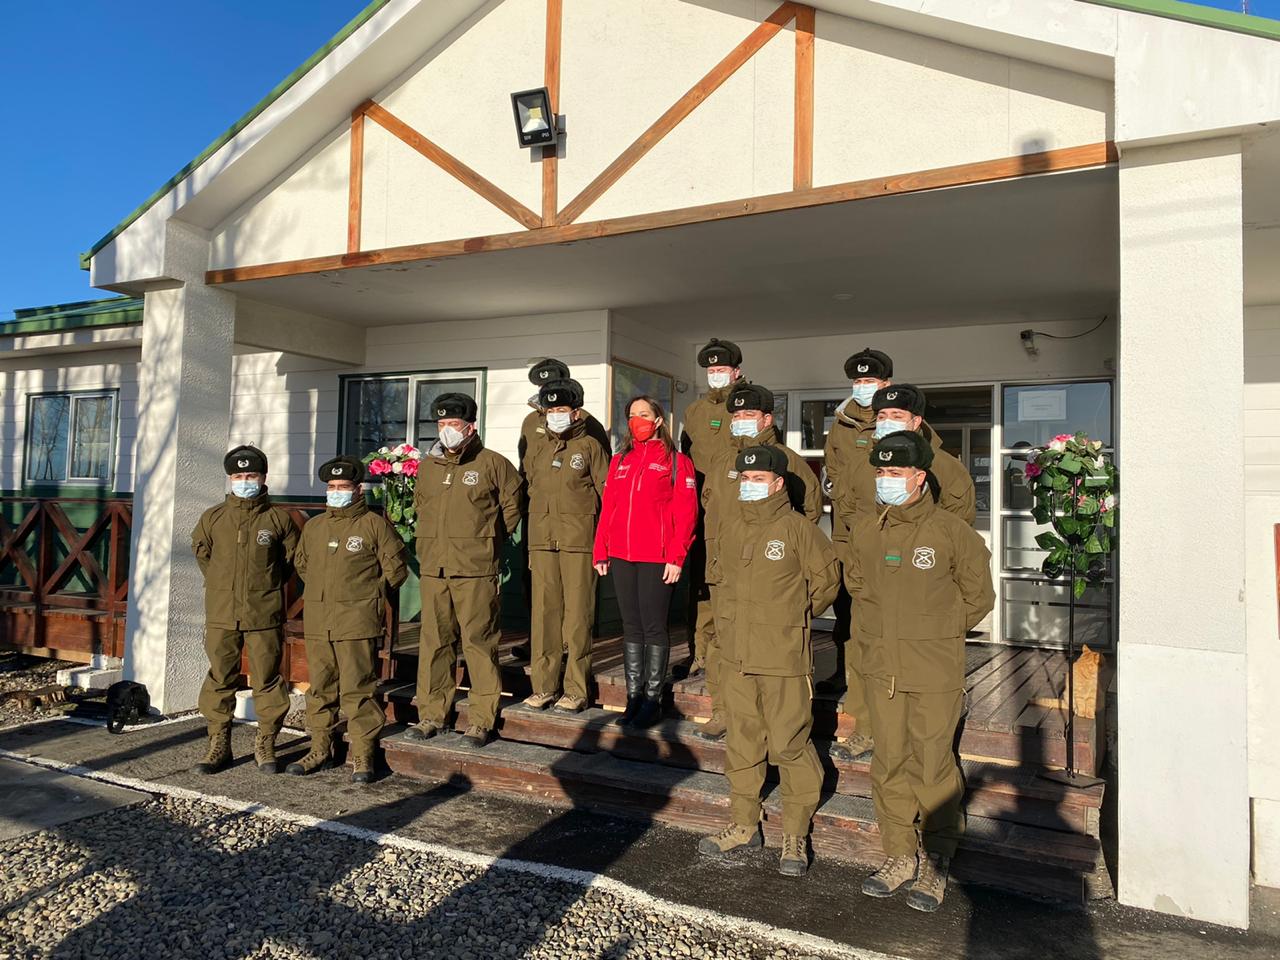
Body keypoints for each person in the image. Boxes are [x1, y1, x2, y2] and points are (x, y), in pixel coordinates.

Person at [845, 431, 994, 912]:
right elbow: (859, 588)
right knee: (888, 762)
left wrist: (933, 635)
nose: (885, 480)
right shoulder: (867, 531)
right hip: (882, 670)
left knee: (932, 764)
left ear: (920, 476)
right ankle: (899, 855)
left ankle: (936, 859)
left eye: (895, 472)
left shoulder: (953, 533)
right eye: (881, 472)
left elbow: (979, 598)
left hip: (933, 671)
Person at [696, 445, 840, 877]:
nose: (749, 486)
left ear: (778, 484)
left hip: (781, 658)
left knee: (789, 744)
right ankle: (743, 823)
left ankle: (795, 832)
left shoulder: (798, 529)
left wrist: (788, 619)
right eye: (744, 479)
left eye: (758, 479)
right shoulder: (732, 527)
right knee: (741, 744)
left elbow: (827, 583)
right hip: (736, 658)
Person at [699, 382, 822, 739]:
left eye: (748, 414)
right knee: (722, 641)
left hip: (771, 576)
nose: (740, 421)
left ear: (767, 418)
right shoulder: (723, 462)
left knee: (775, 647)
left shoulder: (788, 462)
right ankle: (723, 709)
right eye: (735, 415)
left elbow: (808, 512)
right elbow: (711, 511)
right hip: (725, 572)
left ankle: (779, 717)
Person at [408, 393, 524, 747]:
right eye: (441, 425)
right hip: (434, 567)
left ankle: (481, 719)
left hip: (475, 568)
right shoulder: (429, 466)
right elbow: (420, 507)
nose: (446, 431)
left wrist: (485, 545)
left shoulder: (493, 464)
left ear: (470, 427)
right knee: (434, 643)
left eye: (453, 425)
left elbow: (511, 510)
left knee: (478, 642)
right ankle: (431, 714)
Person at [289, 456, 408, 783]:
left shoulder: (374, 525)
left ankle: (364, 753)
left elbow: (396, 570)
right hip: (319, 621)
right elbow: (302, 566)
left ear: (358, 490)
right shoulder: (314, 527)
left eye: (343, 487)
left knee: (359, 688)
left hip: (356, 622)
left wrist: (367, 596)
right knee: (321, 689)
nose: (336, 492)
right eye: (331, 487)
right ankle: (320, 748)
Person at [190, 445, 299, 776]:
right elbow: (203, 553)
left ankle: (266, 743)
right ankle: (218, 743)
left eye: (250, 475)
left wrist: (263, 587)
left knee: (266, 679)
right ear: (230, 479)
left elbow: (290, 561)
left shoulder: (279, 519)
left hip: (263, 613)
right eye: (238, 476)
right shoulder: (213, 518)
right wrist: (225, 586)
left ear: (263, 477)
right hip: (222, 612)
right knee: (220, 677)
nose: (244, 481)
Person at [593, 396, 698, 728]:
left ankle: (653, 701)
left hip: (658, 557)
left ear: (658, 421)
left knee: (653, 627)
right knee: (631, 627)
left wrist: (677, 556)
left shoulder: (677, 462)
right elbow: (607, 507)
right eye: (632, 415)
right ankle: (633, 698)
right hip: (622, 556)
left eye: (644, 414)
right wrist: (601, 549)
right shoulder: (620, 460)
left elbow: (687, 513)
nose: (637, 420)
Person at [823, 348, 893, 762]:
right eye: (859, 381)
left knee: (881, 635)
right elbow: (832, 472)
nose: (863, 387)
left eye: (871, 381)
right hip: (849, 538)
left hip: (888, 542)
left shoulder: (904, 423)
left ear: (886, 384)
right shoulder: (842, 425)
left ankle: (879, 722)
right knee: (850, 621)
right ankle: (860, 715)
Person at [522, 378, 609, 712]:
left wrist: (603, 540)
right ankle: (543, 687)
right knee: (544, 617)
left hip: (579, 541)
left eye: (562, 410)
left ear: (576, 413)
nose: (556, 415)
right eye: (551, 410)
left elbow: (606, 496)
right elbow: (530, 487)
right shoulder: (538, 447)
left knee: (576, 618)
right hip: (542, 541)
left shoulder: (590, 446)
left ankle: (575, 689)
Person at [680, 338, 747, 679]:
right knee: (702, 585)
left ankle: (730, 654)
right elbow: (685, 458)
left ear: (737, 371)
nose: (716, 375)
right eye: (711, 370)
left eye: (722, 369)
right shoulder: (695, 411)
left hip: (737, 511)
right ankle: (700, 653)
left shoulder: (748, 406)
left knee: (734, 585)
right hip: (701, 511)